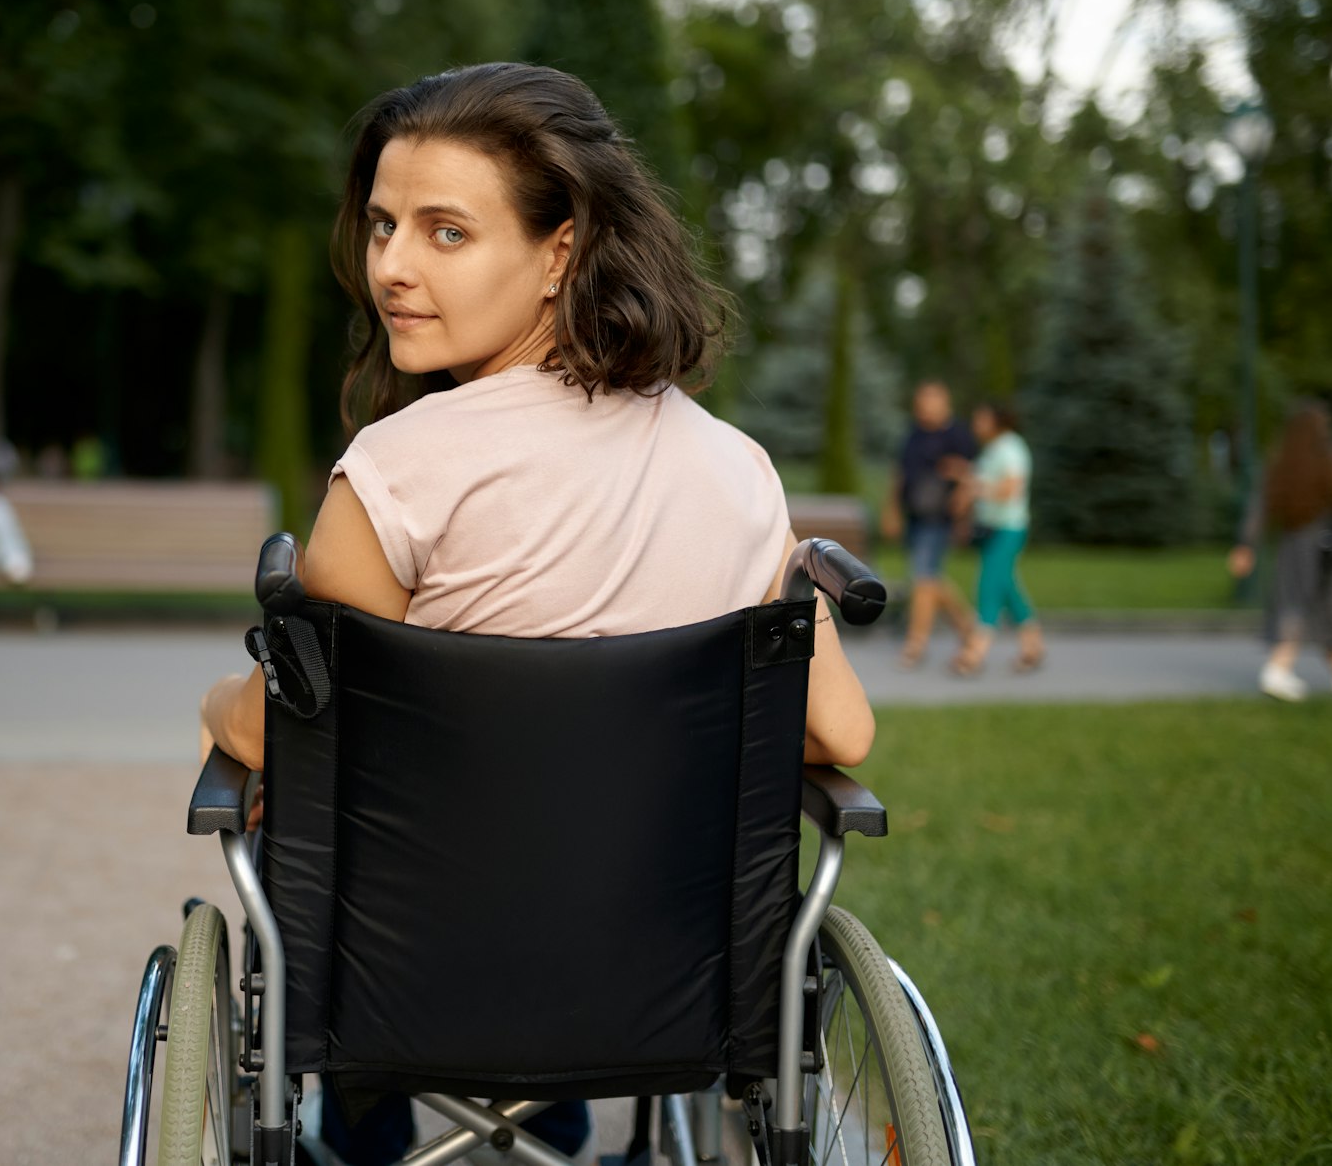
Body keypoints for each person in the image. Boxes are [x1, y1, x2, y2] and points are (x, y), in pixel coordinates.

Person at [194, 63, 875, 1166]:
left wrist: (222, 702)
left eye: (443, 232)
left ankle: (380, 1137)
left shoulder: (396, 472)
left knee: (291, 817)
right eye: (379, 225)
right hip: (663, 974)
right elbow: (839, 737)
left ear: (558, 249)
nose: (390, 267)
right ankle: (552, 1123)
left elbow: (290, 735)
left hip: (405, 983)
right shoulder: (738, 471)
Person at [1228, 400, 1332, 700]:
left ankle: (1331, 672)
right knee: (1319, 605)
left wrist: (1245, 545)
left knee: (1301, 603)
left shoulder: (1281, 464)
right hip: (1323, 543)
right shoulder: (1329, 462)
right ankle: (1278, 669)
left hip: (1293, 543)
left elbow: (1260, 508)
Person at [881, 381, 977, 669]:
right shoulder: (914, 434)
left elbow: (972, 477)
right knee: (931, 578)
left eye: (930, 400)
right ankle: (968, 626)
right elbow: (900, 474)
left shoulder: (958, 435)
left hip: (940, 517)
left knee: (923, 577)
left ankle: (916, 642)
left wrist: (963, 514)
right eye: (920, 401)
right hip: (915, 516)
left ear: (944, 402)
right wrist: (892, 510)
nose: (924, 406)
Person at [951, 401, 1044, 675]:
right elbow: (982, 484)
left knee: (989, 585)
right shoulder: (992, 450)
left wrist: (975, 485)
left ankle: (975, 652)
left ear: (997, 421)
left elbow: (1011, 489)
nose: (976, 424)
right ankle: (1033, 645)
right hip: (990, 529)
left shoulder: (1011, 448)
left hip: (1009, 529)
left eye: (982, 419)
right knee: (1007, 587)